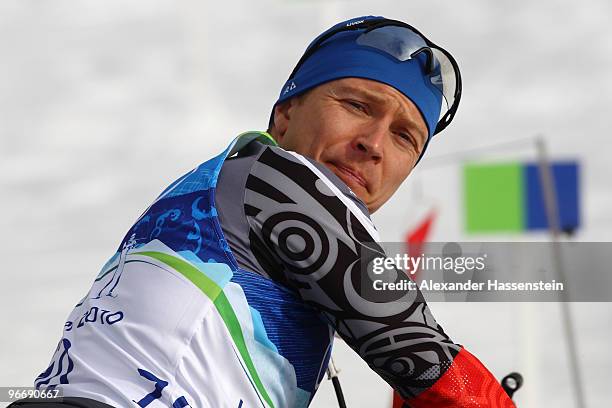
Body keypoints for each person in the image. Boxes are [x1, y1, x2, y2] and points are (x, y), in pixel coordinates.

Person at [12, 16, 515, 408]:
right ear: (285, 114)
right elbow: (422, 358)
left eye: (405, 136)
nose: (374, 144)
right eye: (358, 105)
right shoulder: (276, 179)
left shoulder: (218, 197)